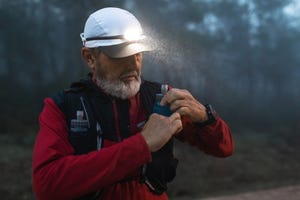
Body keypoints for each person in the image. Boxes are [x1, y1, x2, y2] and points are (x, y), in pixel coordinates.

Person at [32, 7, 233, 200]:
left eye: (137, 53)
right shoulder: (63, 107)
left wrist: (206, 118)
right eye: (119, 55)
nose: (133, 63)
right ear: (90, 57)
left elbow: (223, 149)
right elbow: (46, 185)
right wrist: (142, 144)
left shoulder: (162, 98)